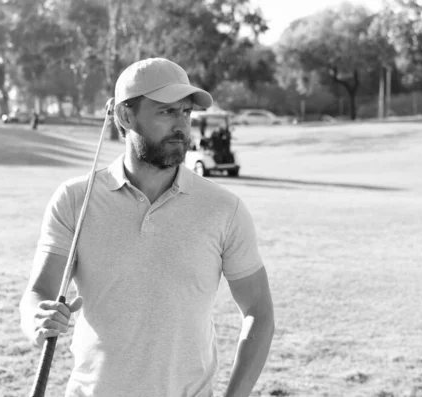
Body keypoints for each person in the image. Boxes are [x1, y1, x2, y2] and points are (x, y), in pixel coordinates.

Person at [19, 57, 275, 397]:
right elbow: (38, 293)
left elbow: (259, 310)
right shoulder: (74, 199)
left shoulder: (224, 208)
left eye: (186, 113)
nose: (182, 126)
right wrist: (37, 318)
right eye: (167, 112)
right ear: (126, 116)